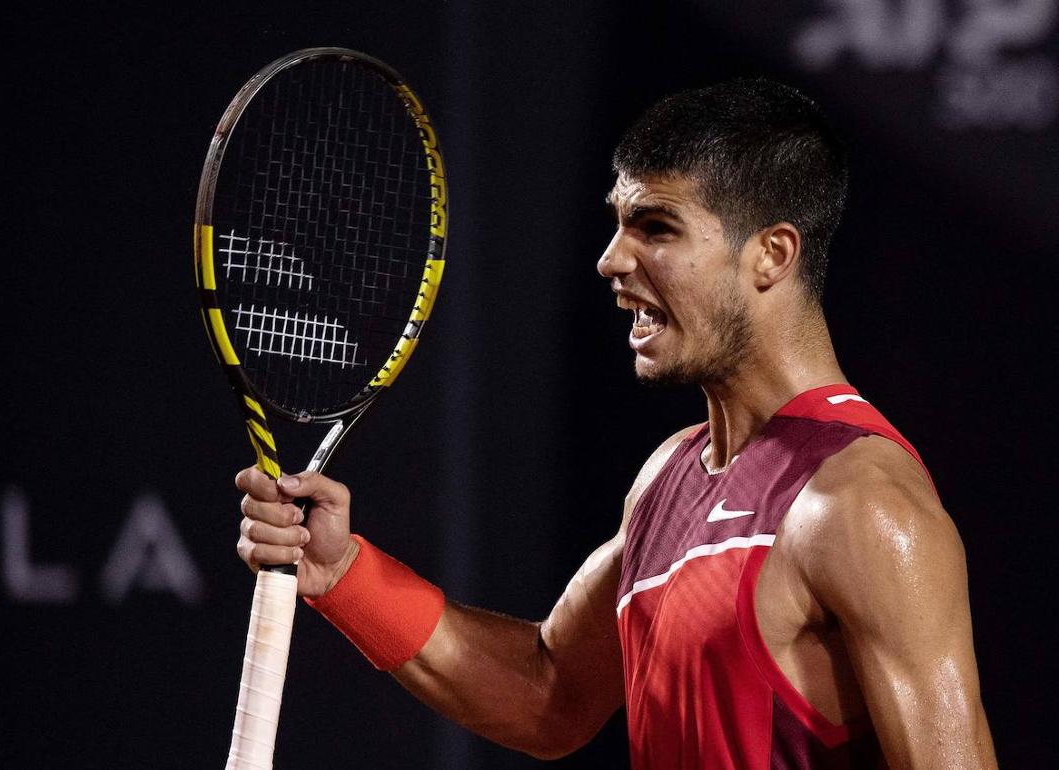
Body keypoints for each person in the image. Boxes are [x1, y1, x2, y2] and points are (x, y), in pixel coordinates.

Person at [233, 79, 998, 769]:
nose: (610, 260)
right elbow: (549, 692)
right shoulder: (669, 478)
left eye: (656, 228)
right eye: (618, 224)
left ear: (771, 255)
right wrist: (345, 575)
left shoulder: (862, 507)